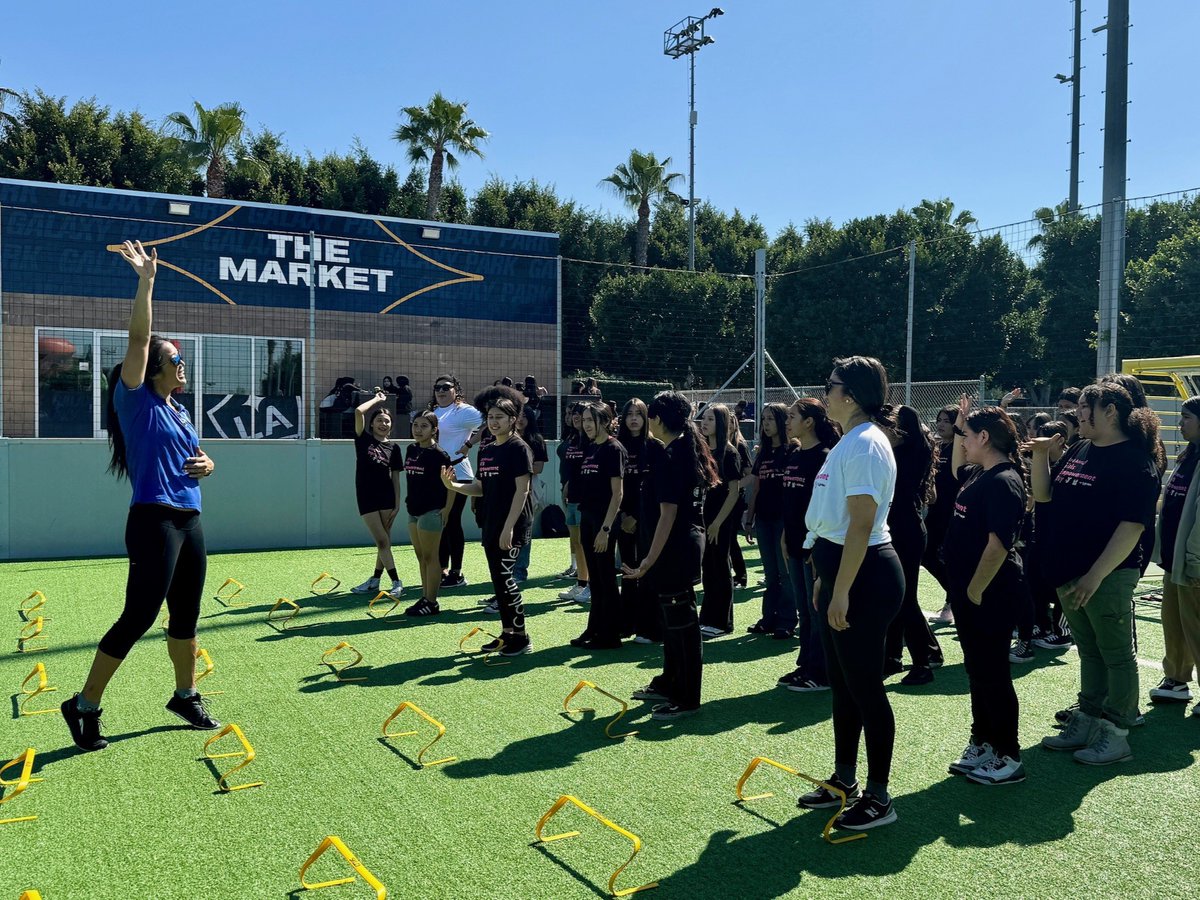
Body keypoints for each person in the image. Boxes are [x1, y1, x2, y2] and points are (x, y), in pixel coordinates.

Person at [62, 240, 219, 752]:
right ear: (152, 368)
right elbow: (138, 338)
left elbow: (196, 458)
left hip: (189, 517)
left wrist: (208, 464)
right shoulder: (136, 398)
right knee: (139, 615)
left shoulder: (178, 410)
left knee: (186, 615)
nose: (181, 363)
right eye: (173, 358)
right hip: (153, 519)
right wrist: (146, 281)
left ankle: (184, 693)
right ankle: (83, 705)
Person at [796, 356, 904, 832]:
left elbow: (862, 524)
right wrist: (826, 577)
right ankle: (845, 780)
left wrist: (841, 590)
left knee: (866, 689)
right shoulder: (850, 441)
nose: (825, 393)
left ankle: (880, 798)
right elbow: (837, 522)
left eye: (831, 385)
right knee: (844, 686)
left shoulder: (864, 444)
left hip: (864, 576)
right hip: (842, 569)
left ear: (852, 395)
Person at [1033, 380, 1162, 764]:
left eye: (1087, 406)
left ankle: (1116, 732)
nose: (1078, 413)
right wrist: (1040, 456)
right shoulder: (1079, 447)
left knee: (1117, 655)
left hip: (1106, 574)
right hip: (1069, 570)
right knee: (1089, 651)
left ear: (1111, 412)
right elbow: (1043, 497)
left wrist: (1095, 575)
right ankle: (1088, 719)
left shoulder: (1135, 460)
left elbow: (1132, 526)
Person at [943, 402, 1028, 784]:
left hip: (989, 594)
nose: (960, 440)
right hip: (968, 591)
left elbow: (998, 545)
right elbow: (955, 466)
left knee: (993, 672)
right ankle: (984, 741)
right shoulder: (980, 472)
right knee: (977, 670)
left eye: (966, 435)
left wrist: (974, 590)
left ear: (984, 438)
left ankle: (1008, 754)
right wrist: (962, 425)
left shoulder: (1004, 480)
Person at [624, 391, 719, 720]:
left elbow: (668, 514)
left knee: (683, 626)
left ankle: (687, 696)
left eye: (650, 416)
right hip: (679, 545)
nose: (647, 422)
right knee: (671, 622)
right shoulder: (677, 449)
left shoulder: (671, 456)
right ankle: (669, 681)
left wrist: (648, 559)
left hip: (676, 549)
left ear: (659, 420)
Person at [440, 385, 534, 656]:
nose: (494, 422)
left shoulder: (519, 448)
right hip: (490, 522)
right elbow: (481, 487)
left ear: (513, 420)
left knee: (506, 579)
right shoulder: (487, 449)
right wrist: (454, 485)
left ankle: (522, 636)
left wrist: (509, 528)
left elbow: (523, 490)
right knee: (498, 581)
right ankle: (507, 634)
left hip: (511, 526)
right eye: (490, 418)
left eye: (499, 418)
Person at [777, 398, 840, 691]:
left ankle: (822, 672)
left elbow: (824, 505)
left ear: (809, 422)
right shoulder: (794, 454)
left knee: (816, 610)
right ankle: (805, 665)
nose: (787, 421)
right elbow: (790, 503)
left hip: (814, 545)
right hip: (794, 542)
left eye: (792, 416)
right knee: (804, 609)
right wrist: (784, 536)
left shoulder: (824, 456)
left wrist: (815, 545)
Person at [883, 405, 942, 685]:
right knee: (896, 597)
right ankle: (893, 657)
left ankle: (924, 660)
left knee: (905, 599)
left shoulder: (907, 454)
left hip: (905, 531)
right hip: (901, 529)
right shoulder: (907, 450)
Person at [1150, 395, 1200, 713]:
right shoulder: (1188, 456)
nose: (1180, 423)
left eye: (1186, 417)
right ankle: (1177, 680)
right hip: (1175, 559)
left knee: (1197, 625)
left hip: (1194, 562)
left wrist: (1194, 559)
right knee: (1174, 621)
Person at [571, 402, 627, 649]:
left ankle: (610, 635)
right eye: (584, 420)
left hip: (604, 523)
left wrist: (606, 529)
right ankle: (594, 628)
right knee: (595, 579)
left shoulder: (614, 448)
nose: (586, 425)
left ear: (604, 421)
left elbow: (618, 494)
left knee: (605, 579)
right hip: (588, 517)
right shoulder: (591, 446)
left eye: (590, 420)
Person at [745, 403, 796, 639]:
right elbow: (756, 488)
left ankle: (786, 620)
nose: (765, 424)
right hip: (764, 520)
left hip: (784, 521)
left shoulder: (793, 451)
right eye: (763, 419)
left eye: (770, 419)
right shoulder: (762, 452)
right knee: (770, 572)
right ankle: (768, 618)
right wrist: (749, 518)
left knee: (786, 573)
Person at [428, 374, 483, 588]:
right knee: (440, 520)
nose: (441, 391)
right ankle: (441, 568)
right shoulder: (434, 411)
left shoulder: (464, 411)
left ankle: (457, 573)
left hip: (459, 472)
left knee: (451, 520)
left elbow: (490, 422)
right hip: (437, 473)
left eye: (445, 387)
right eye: (437, 387)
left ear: (455, 389)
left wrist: (469, 444)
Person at [349, 391, 404, 598]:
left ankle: (375, 579)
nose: (383, 424)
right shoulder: (363, 440)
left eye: (387, 421)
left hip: (387, 498)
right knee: (382, 541)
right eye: (379, 420)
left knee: (384, 543)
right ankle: (397, 581)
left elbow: (396, 478)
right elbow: (358, 411)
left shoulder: (394, 448)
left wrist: (397, 505)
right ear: (372, 424)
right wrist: (378, 400)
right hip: (366, 497)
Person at [402, 410, 454, 616]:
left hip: (431, 511)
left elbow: (451, 484)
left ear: (434, 430)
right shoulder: (411, 449)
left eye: (424, 426)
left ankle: (432, 602)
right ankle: (425, 597)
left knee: (432, 557)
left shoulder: (440, 455)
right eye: (415, 425)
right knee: (421, 556)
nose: (418, 430)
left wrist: (447, 509)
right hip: (413, 510)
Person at [617, 399, 660, 642]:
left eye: (638, 414)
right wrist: (623, 514)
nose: (633, 418)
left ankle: (649, 625)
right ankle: (627, 622)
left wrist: (636, 516)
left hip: (646, 519)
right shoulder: (618, 446)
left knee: (645, 569)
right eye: (629, 414)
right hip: (623, 517)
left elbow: (653, 489)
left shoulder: (654, 447)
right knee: (627, 569)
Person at [698, 404, 742, 638]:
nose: (704, 423)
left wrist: (716, 523)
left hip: (721, 520)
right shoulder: (703, 450)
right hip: (704, 520)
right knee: (709, 568)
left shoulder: (729, 453)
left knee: (721, 567)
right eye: (703, 418)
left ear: (722, 423)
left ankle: (723, 622)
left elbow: (734, 492)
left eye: (711, 419)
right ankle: (707, 617)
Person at [925, 405, 959, 626]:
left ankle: (953, 600)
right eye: (939, 420)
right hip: (934, 511)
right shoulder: (936, 447)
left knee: (949, 557)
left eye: (947, 420)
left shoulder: (960, 447)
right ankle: (954, 595)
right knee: (927, 554)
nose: (941, 424)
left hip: (953, 512)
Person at [558, 403, 592, 603]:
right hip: (570, 497)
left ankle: (589, 585)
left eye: (581, 415)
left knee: (585, 542)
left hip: (584, 498)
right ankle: (580, 582)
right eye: (572, 413)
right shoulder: (571, 437)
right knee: (577, 542)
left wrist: (571, 483)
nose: (575, 417)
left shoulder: (591, 440)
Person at [513, 404, 548, 585]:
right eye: (517, 416)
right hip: (508, 489)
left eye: (524, 416)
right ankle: (508, 569)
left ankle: (520, 571)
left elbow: (539, 468)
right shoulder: (507, 438)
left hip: (529, 489)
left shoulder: (536, 439)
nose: (520, 420)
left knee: (524, 530)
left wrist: (517, 468)